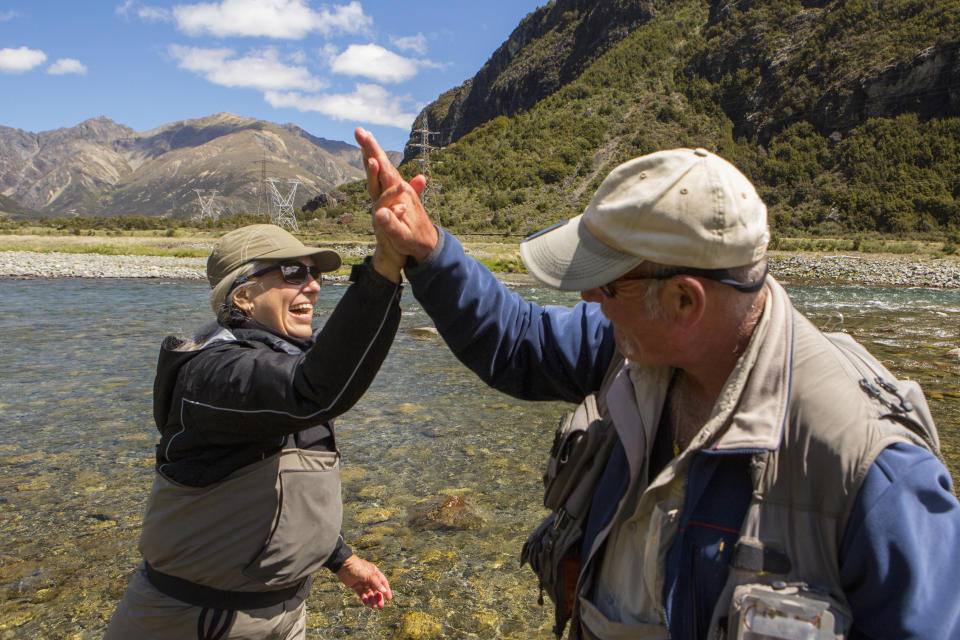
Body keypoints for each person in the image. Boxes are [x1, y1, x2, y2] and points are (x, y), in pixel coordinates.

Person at [354, 127, 960, 639]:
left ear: (682, 300)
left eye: (606, 284)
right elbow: (520, 341)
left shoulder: (876, 478)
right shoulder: (635, 344)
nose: (589, 298)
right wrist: (429, 251)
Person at [105, 223, 400, 639]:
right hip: (196, 620)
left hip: (285, 613)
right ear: (242, 295)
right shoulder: (213, 373)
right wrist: (384, 270)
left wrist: (341, 559)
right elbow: (314, 392)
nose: (313, 287)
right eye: (293, 274)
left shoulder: (283, 363)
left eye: (315, 274)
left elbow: (289, 493)